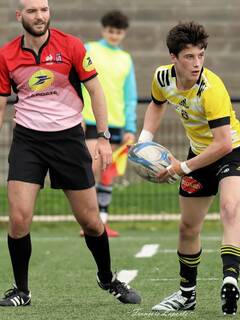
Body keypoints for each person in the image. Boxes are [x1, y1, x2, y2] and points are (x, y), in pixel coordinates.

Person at [0, 0, 141, 307]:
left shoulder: (71, 46)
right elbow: (0, 102)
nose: (40, 16)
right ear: (19, 15)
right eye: (32, 11)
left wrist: (103, 137)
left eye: (44, 10)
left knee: (90, 221)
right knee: (19, 219)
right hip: (28, 142)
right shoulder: (6, 54)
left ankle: (107, 278)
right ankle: (21, 291)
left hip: (68, 140)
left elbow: (96, 91)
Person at [138, 22, 240, 315]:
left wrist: (180, 167)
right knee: (188, 227)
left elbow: (224, 144)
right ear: (173, 57)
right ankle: (186, 296)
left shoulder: (211, 88)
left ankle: (230, 281)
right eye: (189, 56)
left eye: (201, 55)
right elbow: (156, 104)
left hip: (232, 153)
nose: (197, 63)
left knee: (229, 208)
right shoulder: (162, 77)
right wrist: (144, 144)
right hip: (199, 156)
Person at [81, 10, 137, 237]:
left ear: (124, 33)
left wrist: (130, 128)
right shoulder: (89, 49)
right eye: (111, 31)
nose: (114, 35)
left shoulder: (126, 59)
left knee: (107, 172)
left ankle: (102, 220)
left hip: (115, 123)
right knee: (91, 168)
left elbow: (130, 96)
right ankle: (88, 221)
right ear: (104, 29)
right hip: (90, 119)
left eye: (119, 32)